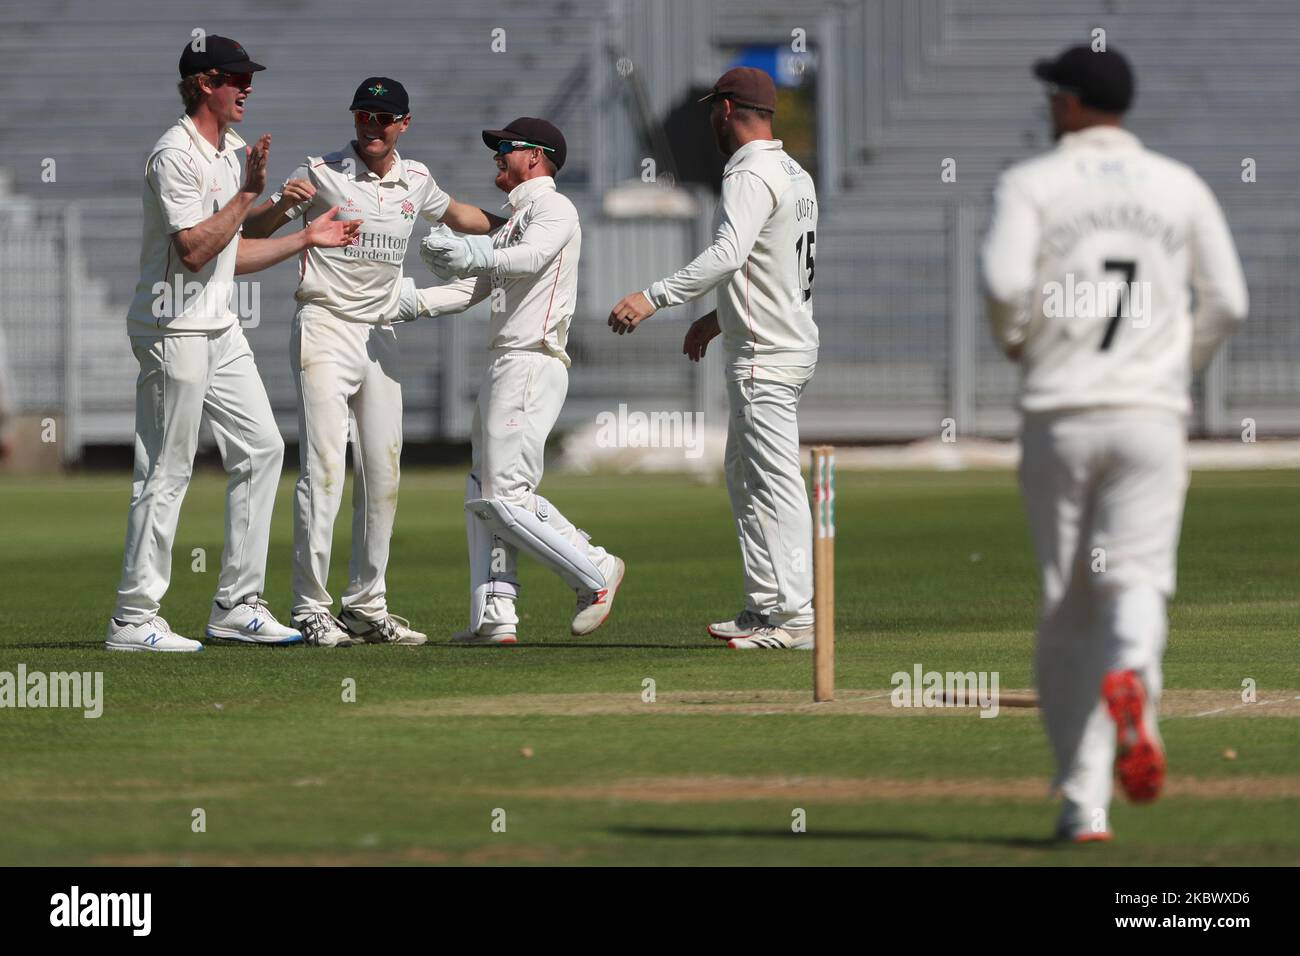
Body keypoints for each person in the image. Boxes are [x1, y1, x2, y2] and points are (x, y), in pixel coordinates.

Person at [981, 45, 1248, 841]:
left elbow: (1000, 287)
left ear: (1066, 104)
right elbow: (1228, 300)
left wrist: (1021, 338)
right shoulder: (1181, 185)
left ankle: (1083, 804)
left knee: (1068, 603)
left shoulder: (1030, 183)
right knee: (1135, 582)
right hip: (1150, 415)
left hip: (1061, 413)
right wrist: (1177, 365)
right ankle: (1133, 672)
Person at [107, 36, 361, 653]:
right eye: (235, 77)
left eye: (250, 77)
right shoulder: (176, 155)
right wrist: (249, 195)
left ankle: (237, 604)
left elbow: (233, 253)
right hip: (174, 327)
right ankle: (133, 617)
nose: (247, 87)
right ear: (203, 83)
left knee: (263, 448)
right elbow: (194, 251)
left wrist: (300, 230)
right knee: (166, 470)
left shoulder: (232, 150)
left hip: (218, 326)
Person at [243, 77, 504, 648]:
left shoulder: (417, 180)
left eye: (384, 117)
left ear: (403, 124)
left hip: (380, 333)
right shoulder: (321, 172)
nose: (373, 125)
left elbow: (459, 215)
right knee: (325, 470)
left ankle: (366, 606)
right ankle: (311, 607)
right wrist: (283, 205)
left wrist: (517, 225)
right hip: (325, 327)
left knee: (384, 474)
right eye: (364, 114)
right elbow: (252, 232)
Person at [607, 67, 820, 650]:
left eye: (712, 111)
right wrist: (717, 318)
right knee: (746, 476)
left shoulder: (748, 172)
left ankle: (796, 616)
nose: (709, 122)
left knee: (773, 480)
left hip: (766, 356)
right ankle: (764, 604)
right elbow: (771, 268)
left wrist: (653, 297)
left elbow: (729, 255)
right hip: (783, 342)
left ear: (727, 110)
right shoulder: (794, 171)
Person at [411, 117, 624, 644]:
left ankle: (595, 570)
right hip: (505, 361)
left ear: (535, 156)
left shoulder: (555, 208)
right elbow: (472, 291)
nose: (496, 158)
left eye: (504, 148)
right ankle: (495, 613)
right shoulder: (513, 221)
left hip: (533, 359)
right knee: (484, 486)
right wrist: (399, 303)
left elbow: (528, 259)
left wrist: (471, 251)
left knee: (506, 493)